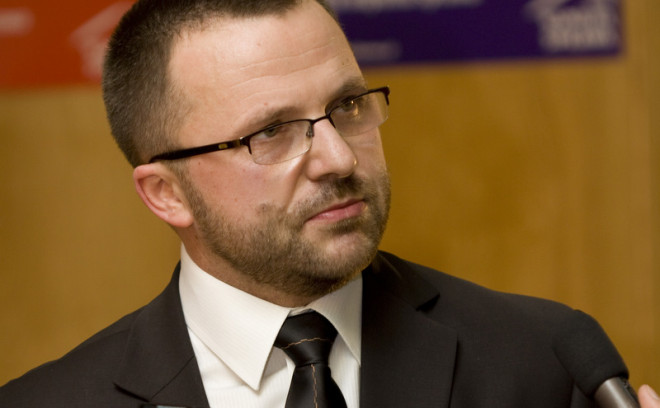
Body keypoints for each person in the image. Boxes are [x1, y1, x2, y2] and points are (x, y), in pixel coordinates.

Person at [0, 0, 657, 407]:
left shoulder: (543, 363)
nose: (339, 158)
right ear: (166, 194)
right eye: (270, 132)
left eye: (347, 106)